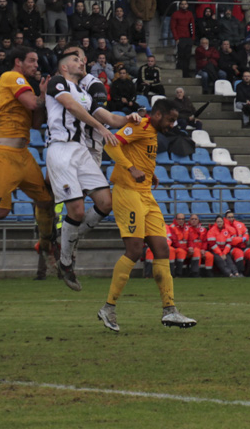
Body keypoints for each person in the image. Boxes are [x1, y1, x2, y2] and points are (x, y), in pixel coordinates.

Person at [98, 98, 197, 332]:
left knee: (162, 249)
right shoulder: (140, 125)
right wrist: (131, 168)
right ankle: (108, 308)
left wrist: (150, 173)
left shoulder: (151, 131)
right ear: (158, 114)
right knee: (134, 250)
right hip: (127, 192)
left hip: (146, 195)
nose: (172, 125)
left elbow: (141, 154)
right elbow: (111, 145)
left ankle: (170, 310)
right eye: (170, 119)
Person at [0, 46, 59, 279]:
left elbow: (35, 123)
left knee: (46, 200)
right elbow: (34, 104)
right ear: (18, 62)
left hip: (22, 154)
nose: (36, 65)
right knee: (1, 211)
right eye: (32, 61)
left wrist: (44, 98)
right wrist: (43, 96)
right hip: (1, 153)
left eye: (37, 62)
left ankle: (45, 248)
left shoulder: (28, 88)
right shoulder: (11, 77)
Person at [48, 47, 135, 291]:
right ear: (64, 67)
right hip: (61, 149)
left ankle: (68, 241)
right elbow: (71, 107)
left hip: (81, 151)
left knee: (106, 203)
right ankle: (65, 262)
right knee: (76, 210)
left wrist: (130, 118)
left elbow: (108, 116)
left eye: (82, 59)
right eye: (76, 60)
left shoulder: (84, 92)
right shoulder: (57, 82)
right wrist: (102, 128)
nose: (81, 62)